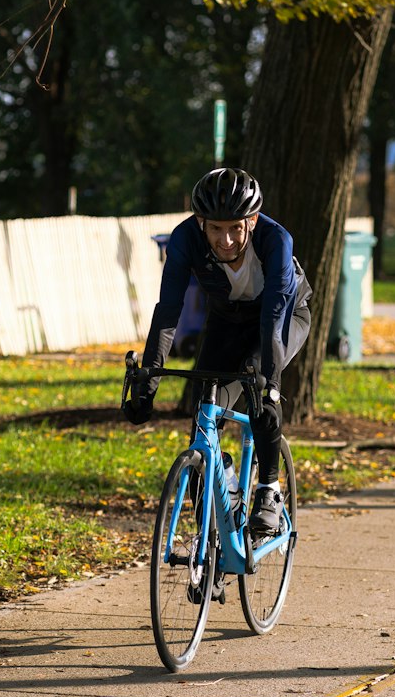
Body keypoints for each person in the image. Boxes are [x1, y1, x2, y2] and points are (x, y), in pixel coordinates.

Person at [125, 167, 311, 539]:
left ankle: (269, 490)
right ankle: (211, 544)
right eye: (215, 229)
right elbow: (168, 312)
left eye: (235, 228)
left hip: (283, 316)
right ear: (200, 222)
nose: (225, 240)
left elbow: (275, 315)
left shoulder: (276, 241)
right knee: (203, 418)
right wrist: (148, 383)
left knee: (261, 385)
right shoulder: (184, 240)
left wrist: (270, 380)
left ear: (253, 221)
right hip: (227, 320)